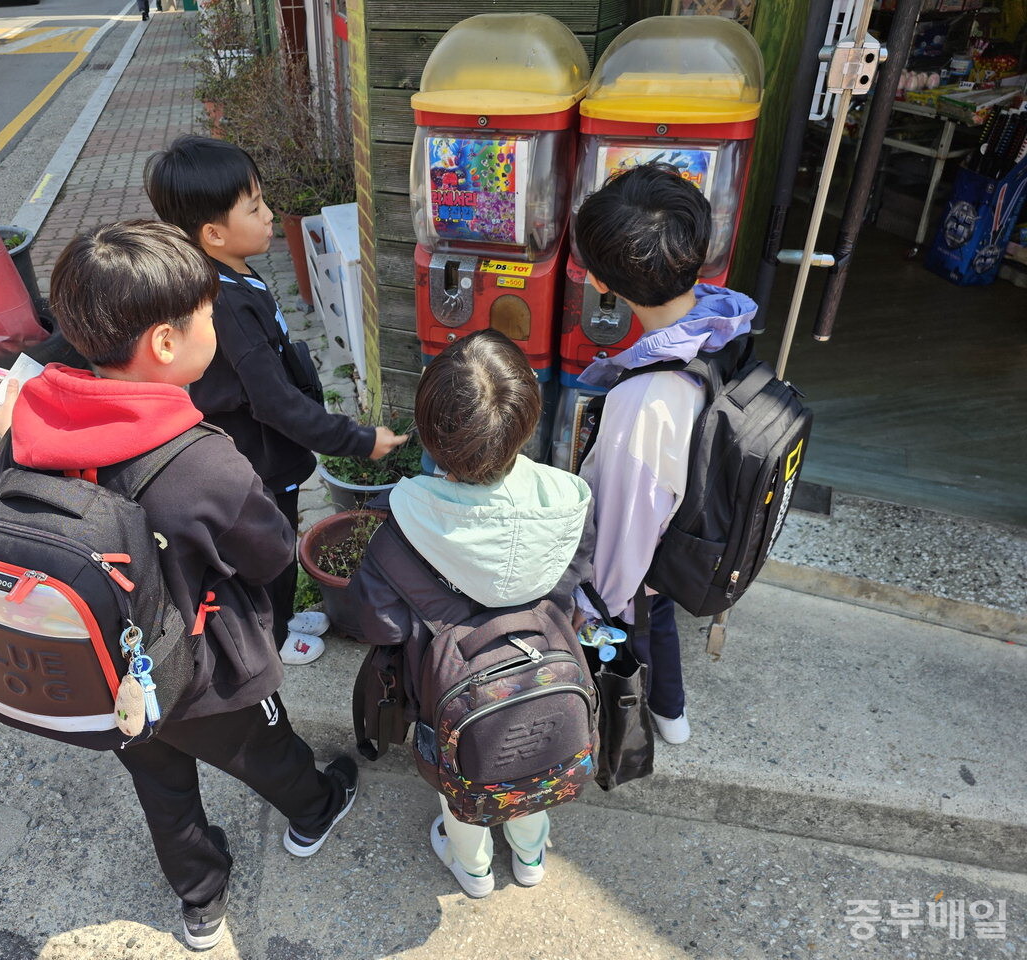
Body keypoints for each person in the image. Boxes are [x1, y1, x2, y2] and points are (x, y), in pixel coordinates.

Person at [0, 221, 358, 951]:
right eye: (207, 316)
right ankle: (316, 809)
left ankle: (200, 898)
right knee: (266, 750)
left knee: (161, 785)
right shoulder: (201, 464)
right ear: (164, 342)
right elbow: (270, 553)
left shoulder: (29, 429)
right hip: (202, 668)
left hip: (109, 672)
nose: (214, 327)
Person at [144, 134, 408, 666]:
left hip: (269, 449)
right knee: (271, 545)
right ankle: (274, 636)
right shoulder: (227, 307)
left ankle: (282, 616)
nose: (269, 216)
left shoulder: (235, 270)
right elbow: (275, 403)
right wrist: (358, 440)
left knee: (281, 535)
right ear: (213, 233)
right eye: (255, 207)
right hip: (257, 457)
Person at [350, 330, 594, 897]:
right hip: (543, 674)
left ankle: (475, 870)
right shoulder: (570, 501)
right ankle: (530, 858)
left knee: (462, 778)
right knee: (536, 763)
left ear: (431, 432)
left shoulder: (400, 526)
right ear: (526, 422)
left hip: (449, 690)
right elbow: (572, 587)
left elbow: (381, 625)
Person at [571, 163, 757, 745]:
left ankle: (629, 725)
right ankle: (672, 716)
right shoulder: (726, 319)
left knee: (639, 625)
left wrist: (589, 604)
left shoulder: (645, 403)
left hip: (648, 557)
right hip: (694, 527)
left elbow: (623, 543)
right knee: (661, 618)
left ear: (602, 282)